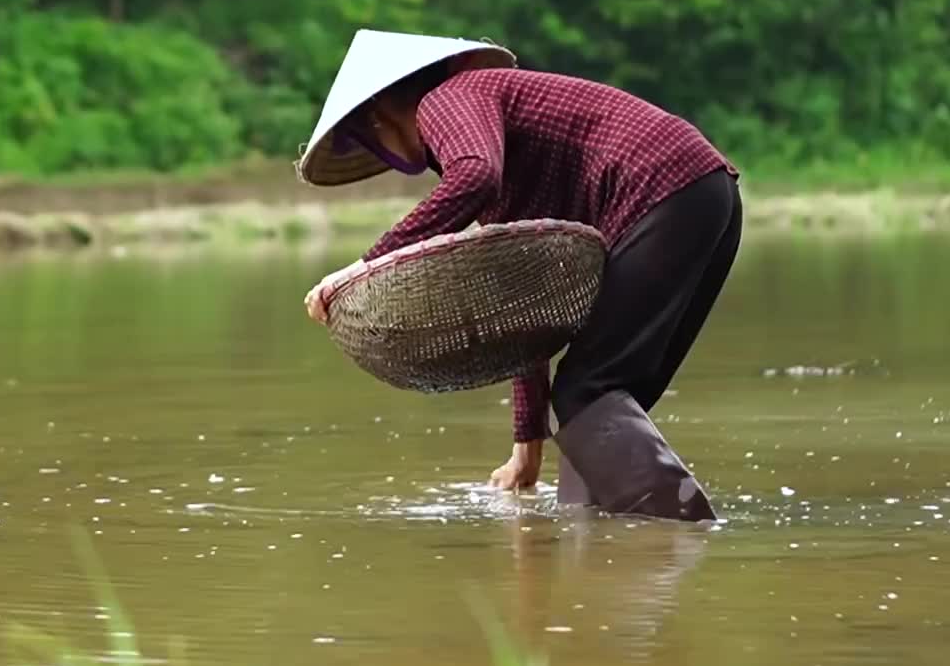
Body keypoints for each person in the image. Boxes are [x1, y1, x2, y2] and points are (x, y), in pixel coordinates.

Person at [295, 29, 740, 522]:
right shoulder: (504, 152)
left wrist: (368, 264)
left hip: (663, 190)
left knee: (585, 393)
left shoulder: (447, 98)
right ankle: (600, 539)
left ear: (378, 115)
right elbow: (528, 312)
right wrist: (527, 447)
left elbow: (475, 175)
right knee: (603, 403)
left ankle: (683, 531)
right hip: (706, 192)